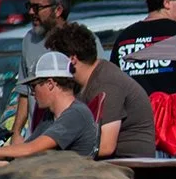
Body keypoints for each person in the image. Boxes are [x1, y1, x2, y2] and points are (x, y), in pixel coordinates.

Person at [45, 23, 154, 158]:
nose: (51, 67)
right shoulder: (79, 84)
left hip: (129, 166)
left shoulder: (108, 83)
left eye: (55, 60)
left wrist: (58, 158)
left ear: (72, 59)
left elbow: (106, 147)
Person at [11, 0, 72, 144]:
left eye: (37, 8)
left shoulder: (80, 41)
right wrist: (16, 132)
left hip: (67, 137)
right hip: (36, 137)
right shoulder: (29, 41)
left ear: (58, 10)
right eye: (29, 6)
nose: (31, 12)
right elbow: (24, 91)